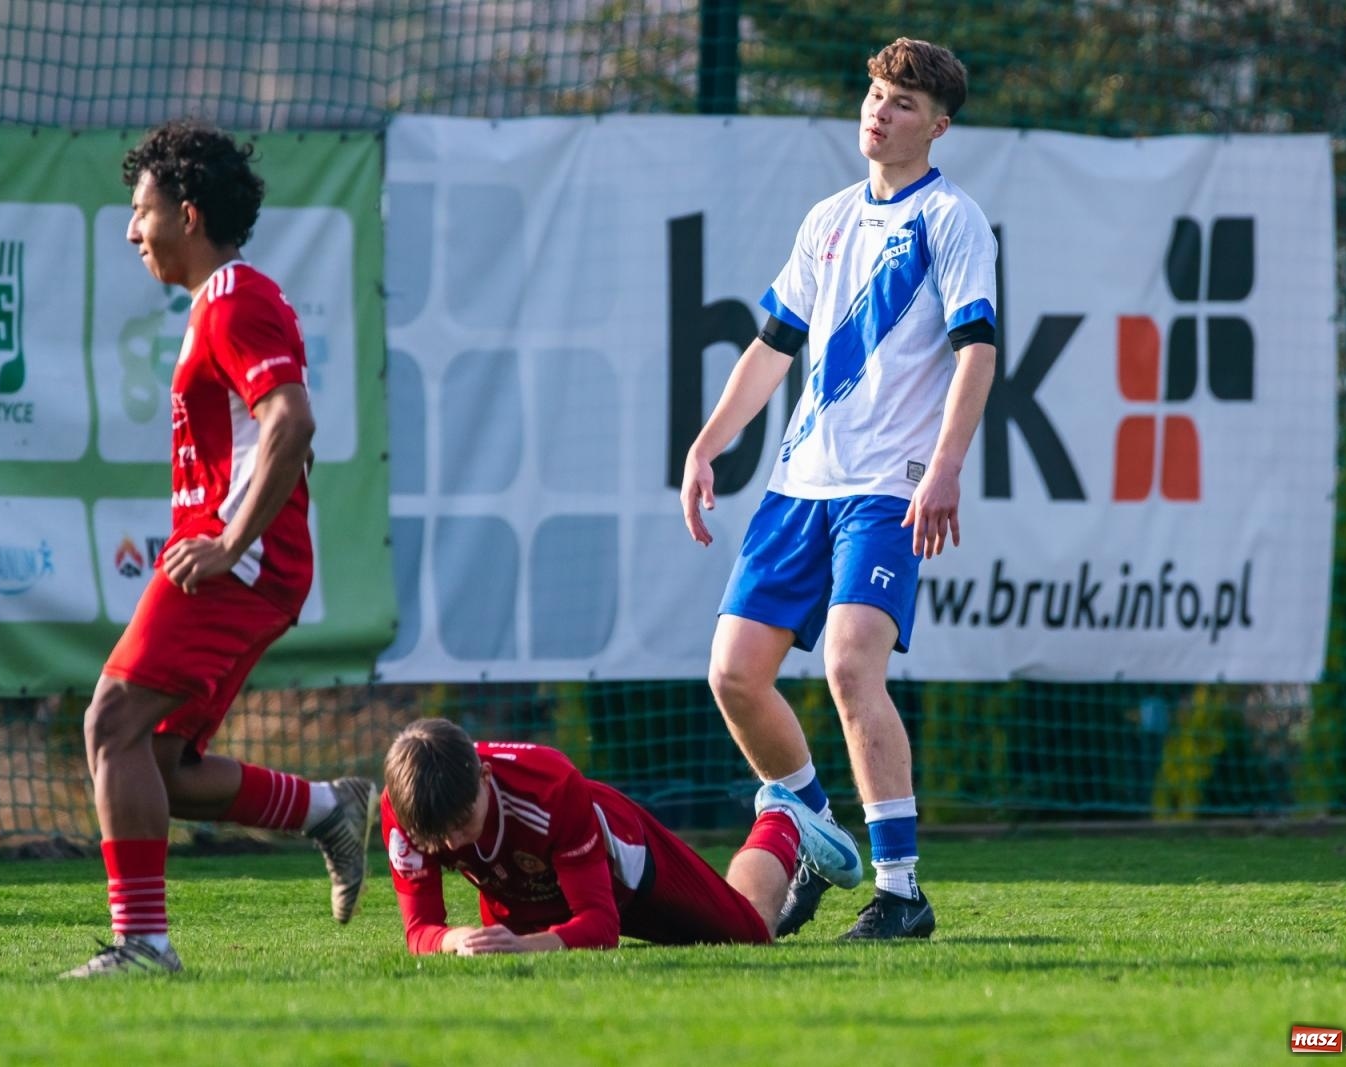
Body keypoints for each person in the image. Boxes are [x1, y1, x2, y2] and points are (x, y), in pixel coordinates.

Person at [680, 38, 998, 940]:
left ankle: (900, 890)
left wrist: (942, 470)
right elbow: (772, 346)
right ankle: (818, 823)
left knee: (851, 664)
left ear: (937, 126)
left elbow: (977, 351)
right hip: (798, 485)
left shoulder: (954, 221)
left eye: (901, 102)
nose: (879, 111)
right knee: (733, 674)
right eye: (874, 94)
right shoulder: (825, 219)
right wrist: (708, 443)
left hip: (886, 491)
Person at [62, 121, 375, 978]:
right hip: (249, 562)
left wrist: (229, 536)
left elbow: (293, 421)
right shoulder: (224, 301)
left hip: (239, 563)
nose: (133, 231)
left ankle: (143, 947)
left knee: (110, 721)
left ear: (188, 215)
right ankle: (328, 809)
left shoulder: (235, 297)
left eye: (142, 211)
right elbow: (279, 431)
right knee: (161, 759)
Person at [379, 717, 862, 954]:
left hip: (624, 869)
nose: (451, 846)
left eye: (463, 824)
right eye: (435, 839)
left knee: (752, 933)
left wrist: (527, 945)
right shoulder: (406, 807)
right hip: (522, 887)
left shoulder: (550, 787)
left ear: (485, 776)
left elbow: (600, 925)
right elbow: (420, 930)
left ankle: (783, 819)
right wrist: (454, 940)